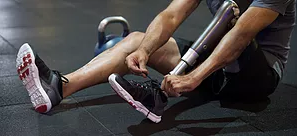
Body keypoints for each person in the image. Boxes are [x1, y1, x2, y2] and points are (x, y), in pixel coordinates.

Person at [16, 0, 295, 123]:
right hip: (218, 64)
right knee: (137, 39)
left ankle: (159, 93)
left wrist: (192, 78)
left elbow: (241, 34)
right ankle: (59, 87)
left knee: (230, 12)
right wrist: (145, 51)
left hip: (258, 75)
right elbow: (171, 15)